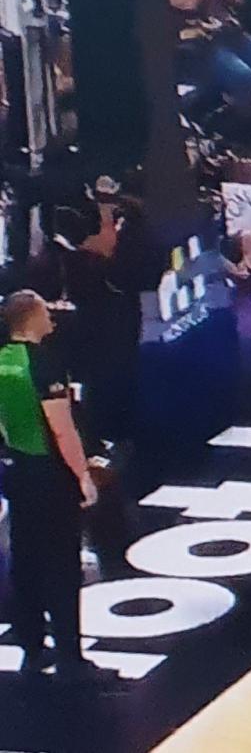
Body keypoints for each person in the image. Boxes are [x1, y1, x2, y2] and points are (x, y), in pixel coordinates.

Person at [0, 291, 106, 680]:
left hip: (16, 469)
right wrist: (82, 476)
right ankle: (70, 658)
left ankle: (31, 646)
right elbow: (62, 430)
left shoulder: (2, 359)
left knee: (26, 558)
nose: (52, 317)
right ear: (30, 318)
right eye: (45, 311)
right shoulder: (43, 364)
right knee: (62, 565)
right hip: (50, 474)